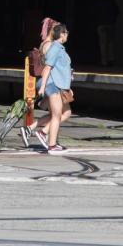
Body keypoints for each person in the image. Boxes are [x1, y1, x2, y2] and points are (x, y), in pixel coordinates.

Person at [19, 17, 59, 147]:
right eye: (57, 29)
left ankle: (30, 129)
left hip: (46, 82)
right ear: (52, 30)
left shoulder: (45, 43)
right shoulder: (49, 45)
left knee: (55, 114)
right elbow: (49, 66)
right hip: (48, 82)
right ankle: (44, 134)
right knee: (60, 113)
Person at [35, 23, 73, 152]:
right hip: (54, 85)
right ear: (62, 34)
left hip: (62, 86)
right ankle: (51, 144)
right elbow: (47, 68)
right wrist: (43, 87)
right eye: (66, 32)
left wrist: (68, 87)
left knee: (67, 113)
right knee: (56, 115)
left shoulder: (60, 48)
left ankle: (44, 132)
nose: (67, 34)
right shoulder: (55, 48)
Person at [96, 0, 118, 67]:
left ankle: (104, 61)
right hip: (110, 24)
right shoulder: (111, 2)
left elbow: (95, 12)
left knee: (103, 43)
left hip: (101, 24)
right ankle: (111, 59)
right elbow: (116, 11)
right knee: (110, 43)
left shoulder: (98, 2)